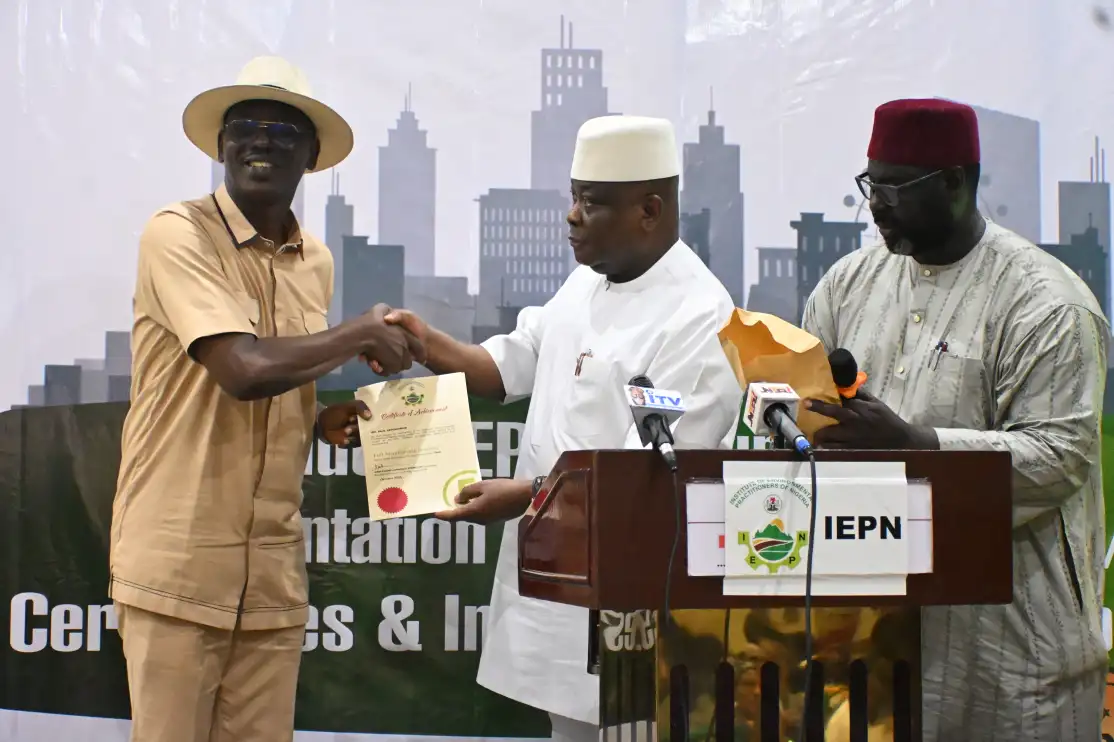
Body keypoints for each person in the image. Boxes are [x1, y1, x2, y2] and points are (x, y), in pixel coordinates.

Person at [379, 115, 744, 742]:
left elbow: (653, 477)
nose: (571, 216)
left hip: (627, 605)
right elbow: (510, 363)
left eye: (591, 202)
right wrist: (426, 344)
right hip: (551, 585)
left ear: (649, 210)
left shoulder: (700, 318)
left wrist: (522, 498)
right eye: (573, 197)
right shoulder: (586, 281)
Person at [108, 56, 422, 742]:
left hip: (272, 577)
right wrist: (359, 333)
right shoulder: (178, 232)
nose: (261, 141)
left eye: (283, 132)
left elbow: (278, 379)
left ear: (312, 156)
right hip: (179, 565)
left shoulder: (316, 260)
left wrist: (322, 418)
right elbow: (243, 369)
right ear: (220, 146)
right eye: (244, 127)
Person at [801, 97, 1109, 740]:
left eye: (894, 188)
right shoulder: (846, 286)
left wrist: (918, 446)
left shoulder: (1046, 305)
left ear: (955, 182)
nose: (875, 204)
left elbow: (1061, 457)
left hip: (1017, 651)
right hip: (875, 649)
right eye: (870, 184)